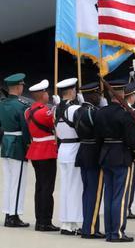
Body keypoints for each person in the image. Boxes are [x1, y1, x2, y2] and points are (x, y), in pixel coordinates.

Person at [94, 80, 135, 242]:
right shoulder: (125, 114)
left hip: (106, 155)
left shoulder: (100, 112)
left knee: (109, 196)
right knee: (120, 196)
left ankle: (109, 231)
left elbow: (98, 138)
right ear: (122, 94)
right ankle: (117, 233)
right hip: (122, 156)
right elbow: (133, 141)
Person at [73, 82, 106, 239]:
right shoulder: (95, 113)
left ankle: (87, 225)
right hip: (94, 154)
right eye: (98, 95)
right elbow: (101, 133)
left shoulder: (78, 111)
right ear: (93, 95)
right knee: (94, 192)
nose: (99, 97)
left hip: (83, 152)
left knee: (87, 192)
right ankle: (90, 229)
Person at [25, 79, 59, 232]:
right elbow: (56, 122)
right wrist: (58, 106)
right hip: (46, 151)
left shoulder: (28, 111)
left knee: (40, 187)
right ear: (42, 95)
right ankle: (45, 221)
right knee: (47, 188)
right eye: (46, 92)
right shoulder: (44, 112)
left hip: (35, 150)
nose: (49, 95)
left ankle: (40, 220)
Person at [0, 73, 31, 228]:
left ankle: (8, 213)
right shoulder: (21, 106)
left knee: (8, 182)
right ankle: (14, 216)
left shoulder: (2, 103)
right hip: (18, 145)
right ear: (19, 87)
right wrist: (28, 146)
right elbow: (25, 130)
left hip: (5, 144)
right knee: (18, 182)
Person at [54, 78, 83, 235]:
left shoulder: (55, 109)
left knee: (66, 187)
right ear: (72, 92)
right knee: (74, 187)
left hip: (63, 148)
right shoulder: (75, 109)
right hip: (74, 148)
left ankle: (66, 222)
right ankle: (70, 223)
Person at [124, 83, 135, 220]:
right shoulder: (130, 112)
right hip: (129, 153)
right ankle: (127, 207)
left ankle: (127, 206)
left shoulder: (129, 110)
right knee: (129, 182)